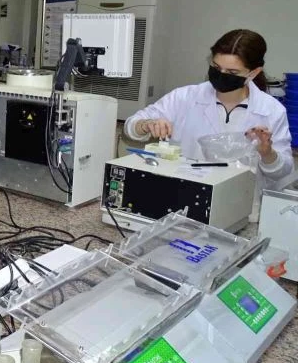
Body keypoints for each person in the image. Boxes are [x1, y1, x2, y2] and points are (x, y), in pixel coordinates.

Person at [125, 29, 293, 220]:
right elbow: (131, 127)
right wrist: (146, 124)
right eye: (216, 66)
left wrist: (267, 153)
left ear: (253, 72)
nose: (221, 75)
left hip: (241, 211)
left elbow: (283, 172)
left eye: (232, 72)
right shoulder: (184, 98)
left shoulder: (271, 110)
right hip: (182, 206)